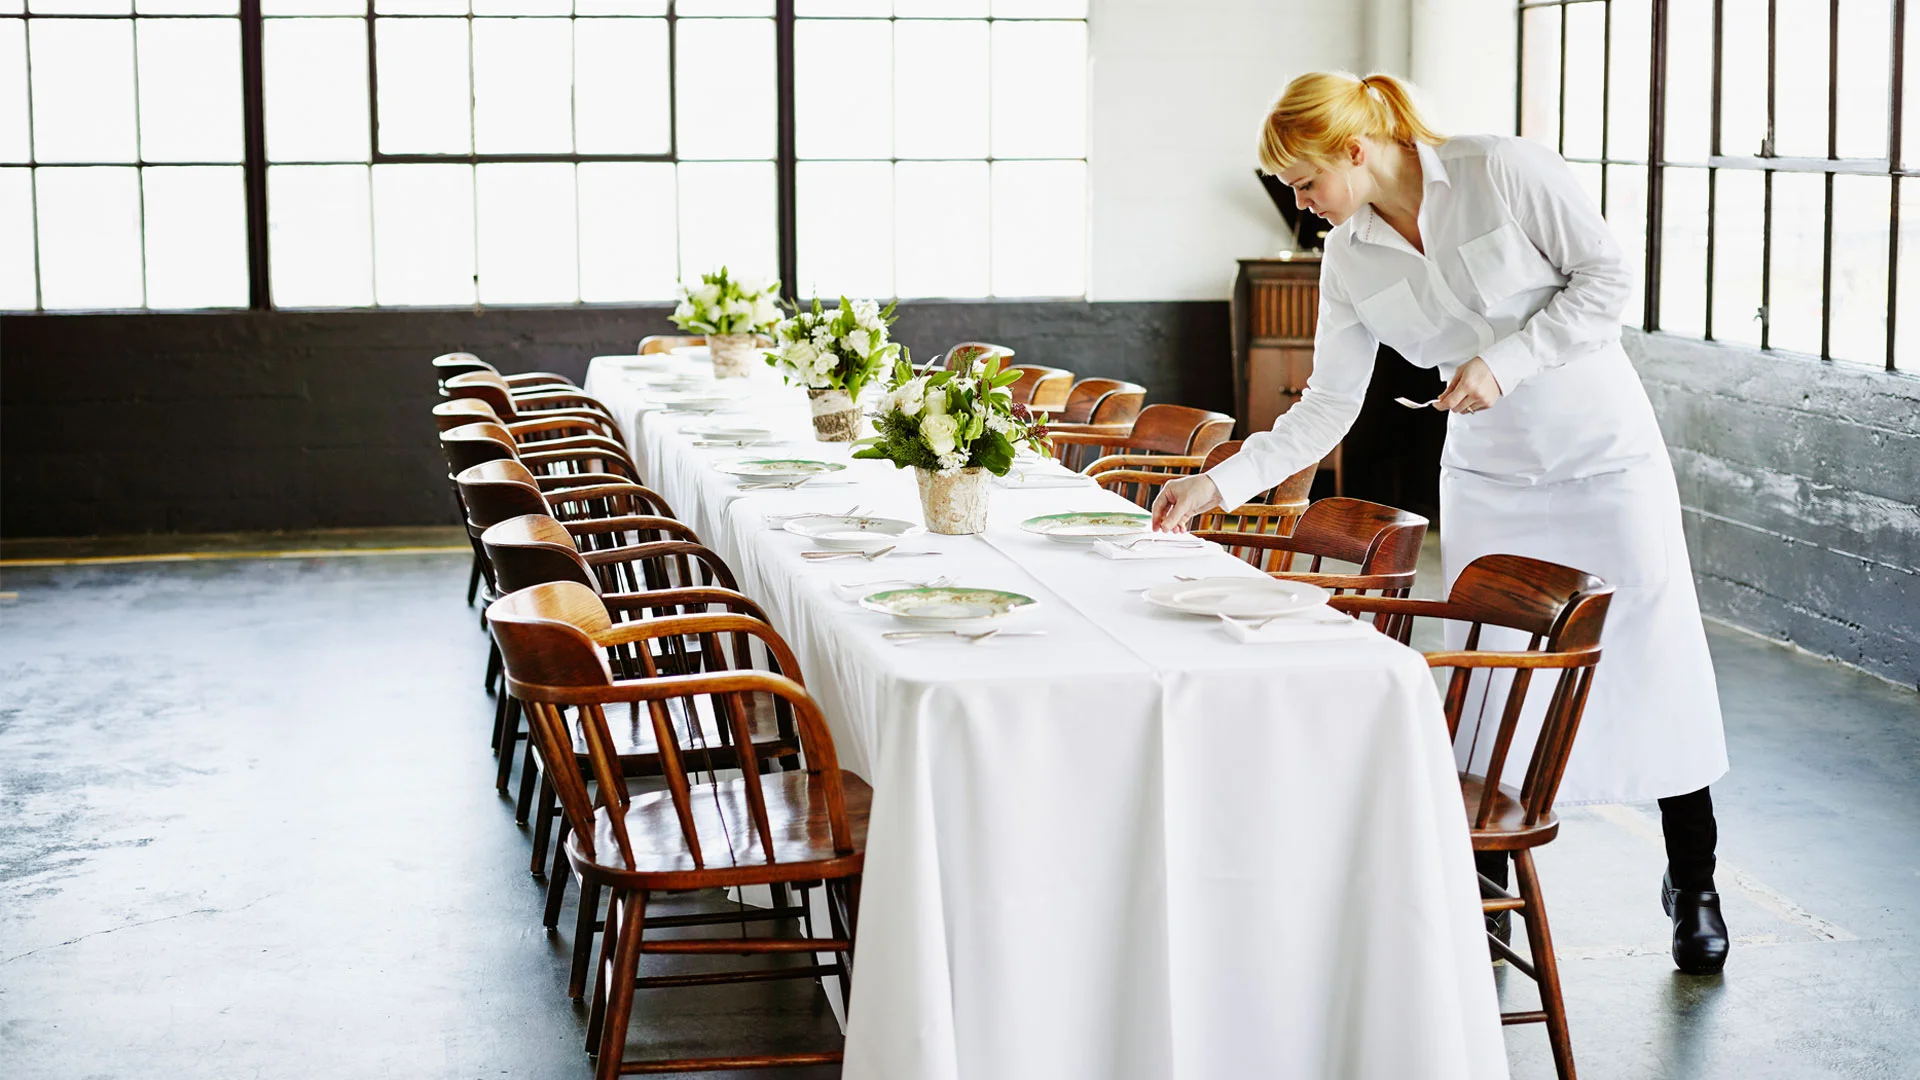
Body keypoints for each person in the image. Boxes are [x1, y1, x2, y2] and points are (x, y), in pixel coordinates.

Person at [1151, 71, 1732, 975]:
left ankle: (1693, 878)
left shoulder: (1502, 169)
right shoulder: (1348, 257)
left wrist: (1506, 360)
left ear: (1353, 148)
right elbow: (1324, 408)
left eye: (1305, 183)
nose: (1301, 206)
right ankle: (1491, 895)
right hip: (1493, 481)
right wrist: (1216, 485)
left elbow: (1607, 279)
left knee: (1655, 658)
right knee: (1493, 685)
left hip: (1604, 460)